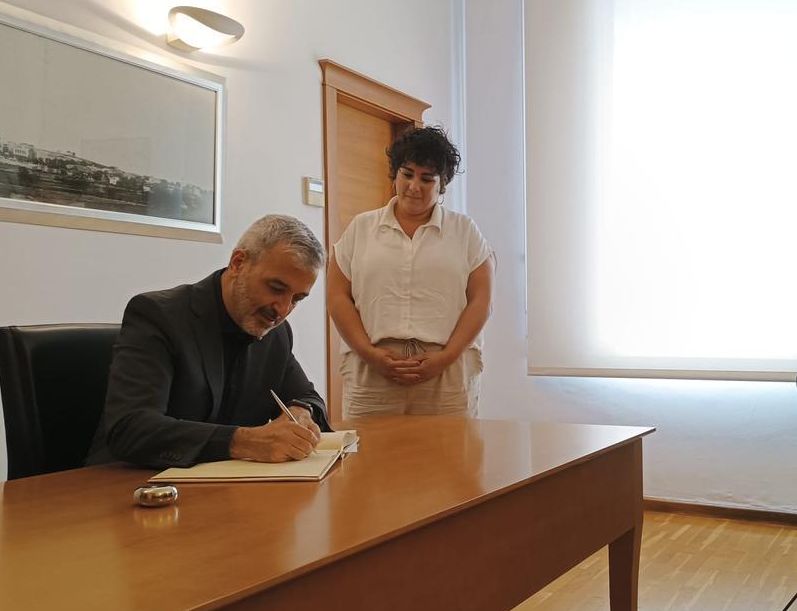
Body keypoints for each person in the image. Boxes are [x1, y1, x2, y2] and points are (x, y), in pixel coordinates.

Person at [86, 214, 329, 469]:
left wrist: (302, 412)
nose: (282, 309)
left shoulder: (277, 333)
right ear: (238, 263)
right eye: (276, 288)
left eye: (297, 299)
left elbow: (307, 397)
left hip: (221, 490)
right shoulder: (158, 314)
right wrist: (244, 441)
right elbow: (131, 427)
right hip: (130, 486)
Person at [328, 126, 494, 418]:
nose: (414, 186)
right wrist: (369, 353)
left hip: (446, 374)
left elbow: (481, 301)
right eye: (407, 174)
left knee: (450, 462)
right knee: (369, 461)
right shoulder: (361, 228)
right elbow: (338, 297)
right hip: (373, 372)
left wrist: (446, 357)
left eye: (427, 179)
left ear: (442, 184)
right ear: (395, 174)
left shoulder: (465, 232)